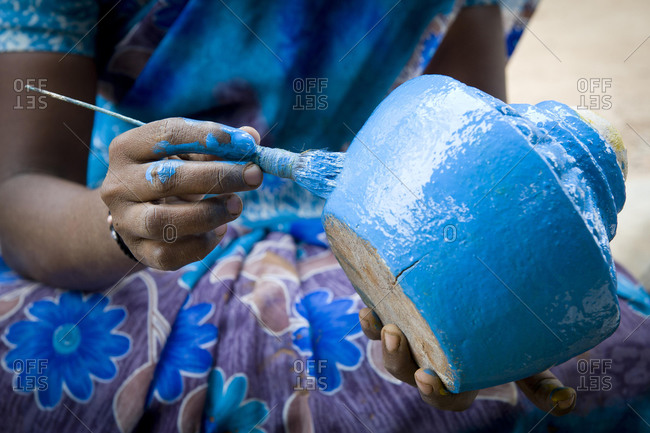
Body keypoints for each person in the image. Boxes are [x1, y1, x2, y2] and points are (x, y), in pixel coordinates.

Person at [0, 1, 648, 432]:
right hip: (111, 224)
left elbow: (470, 158)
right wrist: (123, 225)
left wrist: (505, 315)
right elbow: (18, 192)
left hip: (380, 237)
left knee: (619, 356)